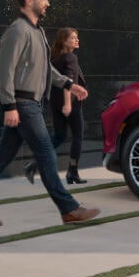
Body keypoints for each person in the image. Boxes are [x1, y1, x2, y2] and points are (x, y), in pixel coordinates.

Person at [0, 0, 100, 226]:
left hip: (31, 104)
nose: (48, 2)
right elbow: (4, 71)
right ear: (29, 1)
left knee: (2, 158)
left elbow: (46, 70)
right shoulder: (17, 31)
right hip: (23, 104)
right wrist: (9, 106)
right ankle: (69, 209)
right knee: (46, 153)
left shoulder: (38, 32)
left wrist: (69, 84)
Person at [24, 27, 88, 185]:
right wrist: (68, 104)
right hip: (70, 104)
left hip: (55, 103)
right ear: (63, 41)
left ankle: (33, 164)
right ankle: (72, 172)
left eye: (76, 37)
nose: (76, 40)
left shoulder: (55, 59)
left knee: (59, 137)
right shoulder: (71, 57)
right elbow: (68, 80)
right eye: (73, 38)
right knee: (78, 136)